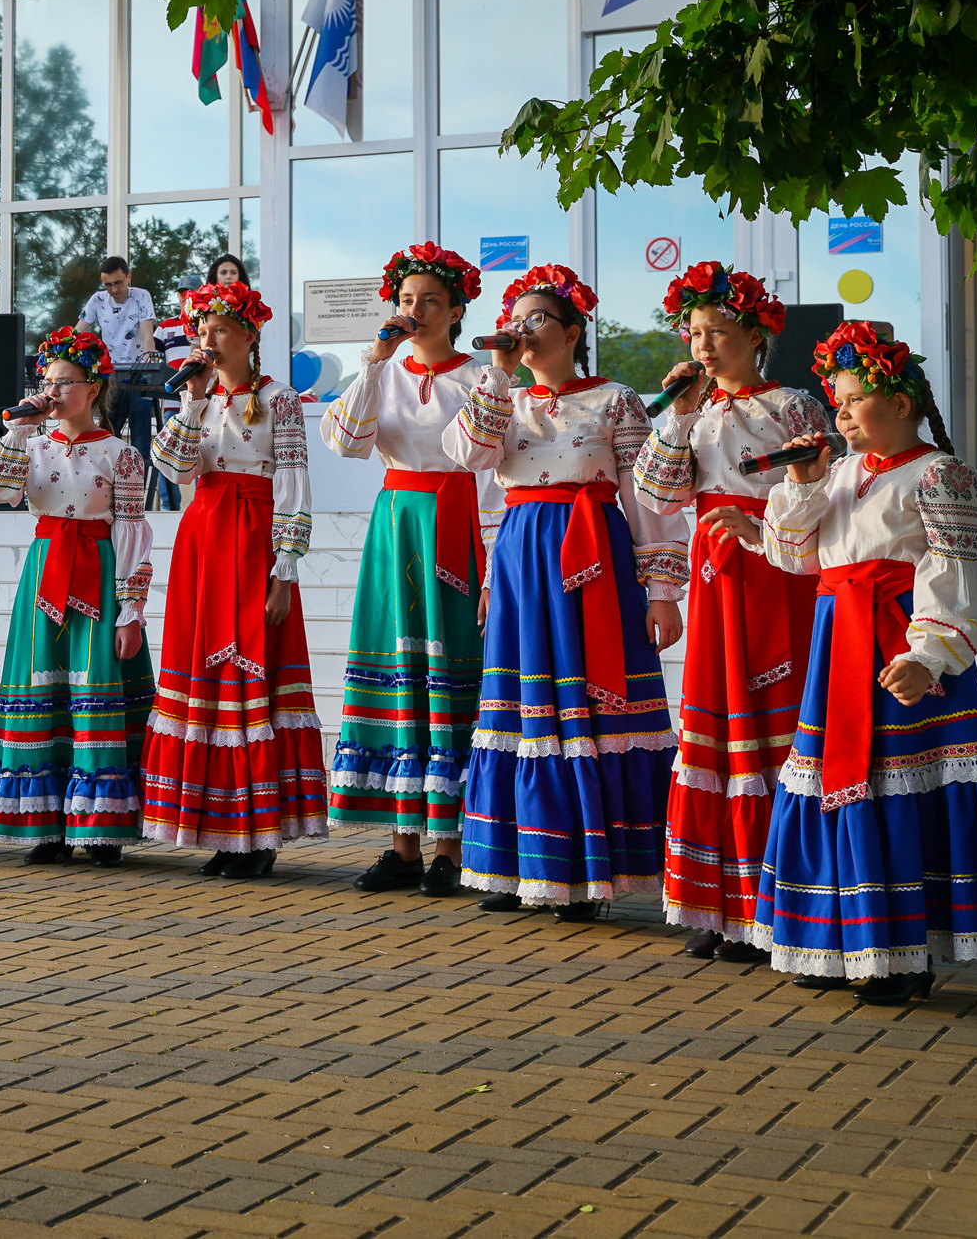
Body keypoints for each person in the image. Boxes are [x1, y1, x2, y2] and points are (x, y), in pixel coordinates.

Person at [753, 323, 977, 1005]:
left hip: (896, 648)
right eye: (837, 401)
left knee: (899, 786)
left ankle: (905, 953)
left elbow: (958, 572)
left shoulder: (937, 473)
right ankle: (839, 940)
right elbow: (791, 554)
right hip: (836, 646)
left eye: (854, 400)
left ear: (901, 404)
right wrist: (803, 482)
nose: (842, 413)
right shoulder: (840, 472)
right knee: (834, 780)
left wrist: (928, 656)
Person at [444, 265, 686, 919]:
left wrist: (662, 590)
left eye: (537, 320)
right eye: (515, 320)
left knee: (592, 709)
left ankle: (588, 876)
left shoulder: (616, 400)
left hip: (594, 563)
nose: (522, 330)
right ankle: (518, 866)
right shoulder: (504, 398)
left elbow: (647, 499)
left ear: (574, 331)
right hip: (521, 563)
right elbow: (469, 459)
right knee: (518, 710)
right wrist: (497, 375)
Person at [632, 265, 832, 961]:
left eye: (718, 331)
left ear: (756, 334)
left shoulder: (793, 405)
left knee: (771, 724)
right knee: (714, 726)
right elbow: (656, 495)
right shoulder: (696, 411)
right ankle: (717, 907)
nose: (704, 345)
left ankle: (769, 906)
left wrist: (762, 525)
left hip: (777, 572)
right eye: (694, 333)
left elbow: (824, 490)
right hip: (715, 578)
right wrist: (681, 413)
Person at [323, 245, 500, 898]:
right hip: (395, 525)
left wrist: (491, 566)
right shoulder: (385, 371)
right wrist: (373, 363)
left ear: (456, 311)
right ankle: (402, 844)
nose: (415, 310)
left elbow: (493, 475)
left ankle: (450, 846)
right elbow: (346, 442)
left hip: (456, 524)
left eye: (430, 300)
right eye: (405, 299)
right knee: (400, 671)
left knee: (448, 675)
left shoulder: (482, 378)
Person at [147, 281, 326, 876]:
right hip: (203, 542)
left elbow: (294, 485)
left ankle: (259, 835)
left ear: (249, 335)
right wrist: (192, 401)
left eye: (219, 329)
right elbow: (173, 469)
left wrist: (284, 572)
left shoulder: (280, 399)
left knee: (251, 673)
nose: (208, 340)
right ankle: (219, 830)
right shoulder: (196, 400)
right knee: (207, 677)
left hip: (254, 545)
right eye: (201, 330)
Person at [0, 326, 156, 867]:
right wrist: (17, 429)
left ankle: (102, 828)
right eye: (47, 382)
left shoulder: (121, 455)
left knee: (94, 684)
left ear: (93, 388)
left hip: (98, 573)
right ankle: (47, 825)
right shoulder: (31, 446)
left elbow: (132, 532)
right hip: (45, 572)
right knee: (45, 684)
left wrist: (130, 611)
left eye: (65, 383)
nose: (52, 392)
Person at [78, 255, 161, 498]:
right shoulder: (98, 300)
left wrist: (149, 364)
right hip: (111, 376)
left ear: (128, 277)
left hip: (138, 375)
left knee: (141, 439)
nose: (114, 290)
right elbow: (77, 333)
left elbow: (147, 334)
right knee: (107, 435)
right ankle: (107, 493)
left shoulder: (141, 296)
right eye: (108, 285)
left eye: (118, 283)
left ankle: (137, 497)